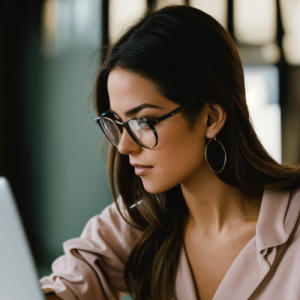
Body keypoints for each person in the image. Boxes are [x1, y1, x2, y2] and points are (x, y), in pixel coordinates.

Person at [40, 5, 300, 300]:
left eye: (144, 122)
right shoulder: (141, 222)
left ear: (211, 118)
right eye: (118, 123)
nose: (125, 146)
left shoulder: (293, 228)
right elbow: (67, 283)